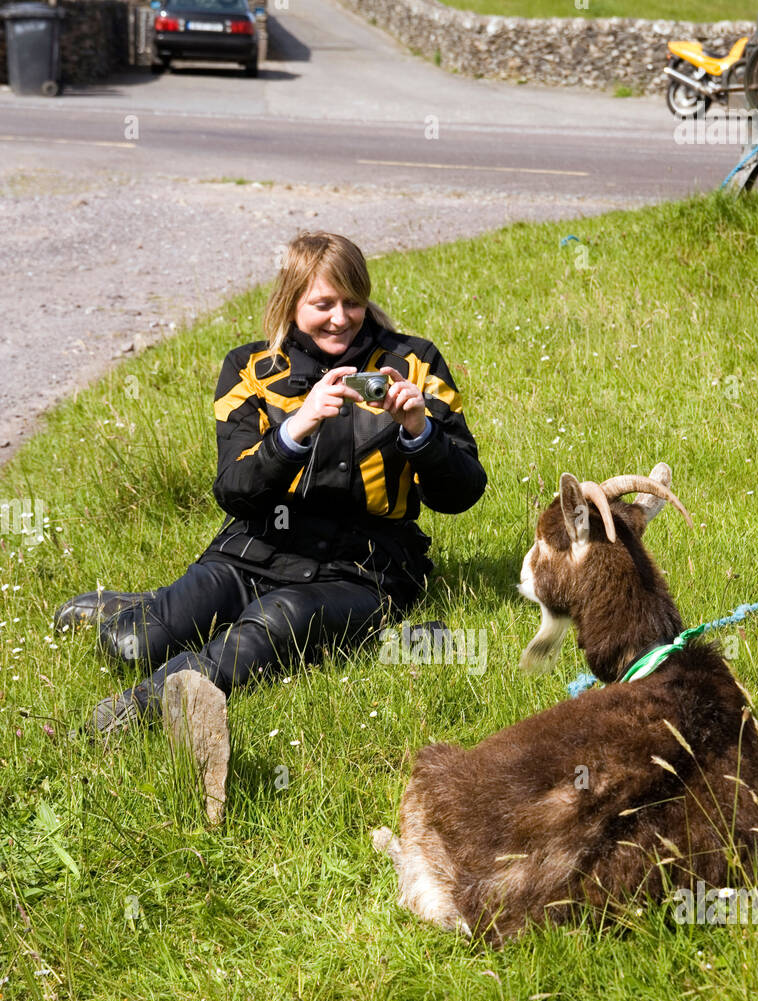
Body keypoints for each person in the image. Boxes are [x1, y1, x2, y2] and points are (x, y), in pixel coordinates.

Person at [56, 232, 486, 736]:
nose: (341, 318)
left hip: (364, 570)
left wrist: (420, 430)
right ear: (290, 303)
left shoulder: (414, 363)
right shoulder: (250, 368)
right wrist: (294, 429)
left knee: (274, 621)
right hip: (253, 552)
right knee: (132, 643)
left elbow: (463, 493)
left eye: (353, 302)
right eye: (323, 304)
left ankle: (148, 707)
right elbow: (235, 491)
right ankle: (140, 607)